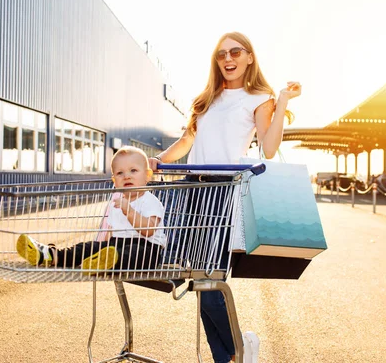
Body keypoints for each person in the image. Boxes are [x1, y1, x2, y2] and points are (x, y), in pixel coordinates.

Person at [149, 32, 301, 363]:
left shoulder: (258, 98)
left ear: (249, 57)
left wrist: (282, 102)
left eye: (235, 52)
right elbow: (187, 142)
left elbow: (270, 148)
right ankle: (232, 355)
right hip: (191, 191)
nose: (227, 59)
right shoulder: (207, 98)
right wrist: (156, 161)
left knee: (209, 282)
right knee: (199, 285)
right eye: (221, 55)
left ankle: (238, 350)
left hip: (222, 192)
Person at [16, 146, 165, 272]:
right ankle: (51, 255)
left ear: (147, 175)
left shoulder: (150, 201)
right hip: (115, 245)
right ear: (115, 181)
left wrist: (130, 211)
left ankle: (109, 261)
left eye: (133, 170)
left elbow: (149, 230)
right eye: (120, 173)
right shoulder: (116, 202)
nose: (126, 176)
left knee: (134, 252)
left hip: (147, 249)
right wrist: (99, 247)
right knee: (87, 247)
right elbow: (111, 233)